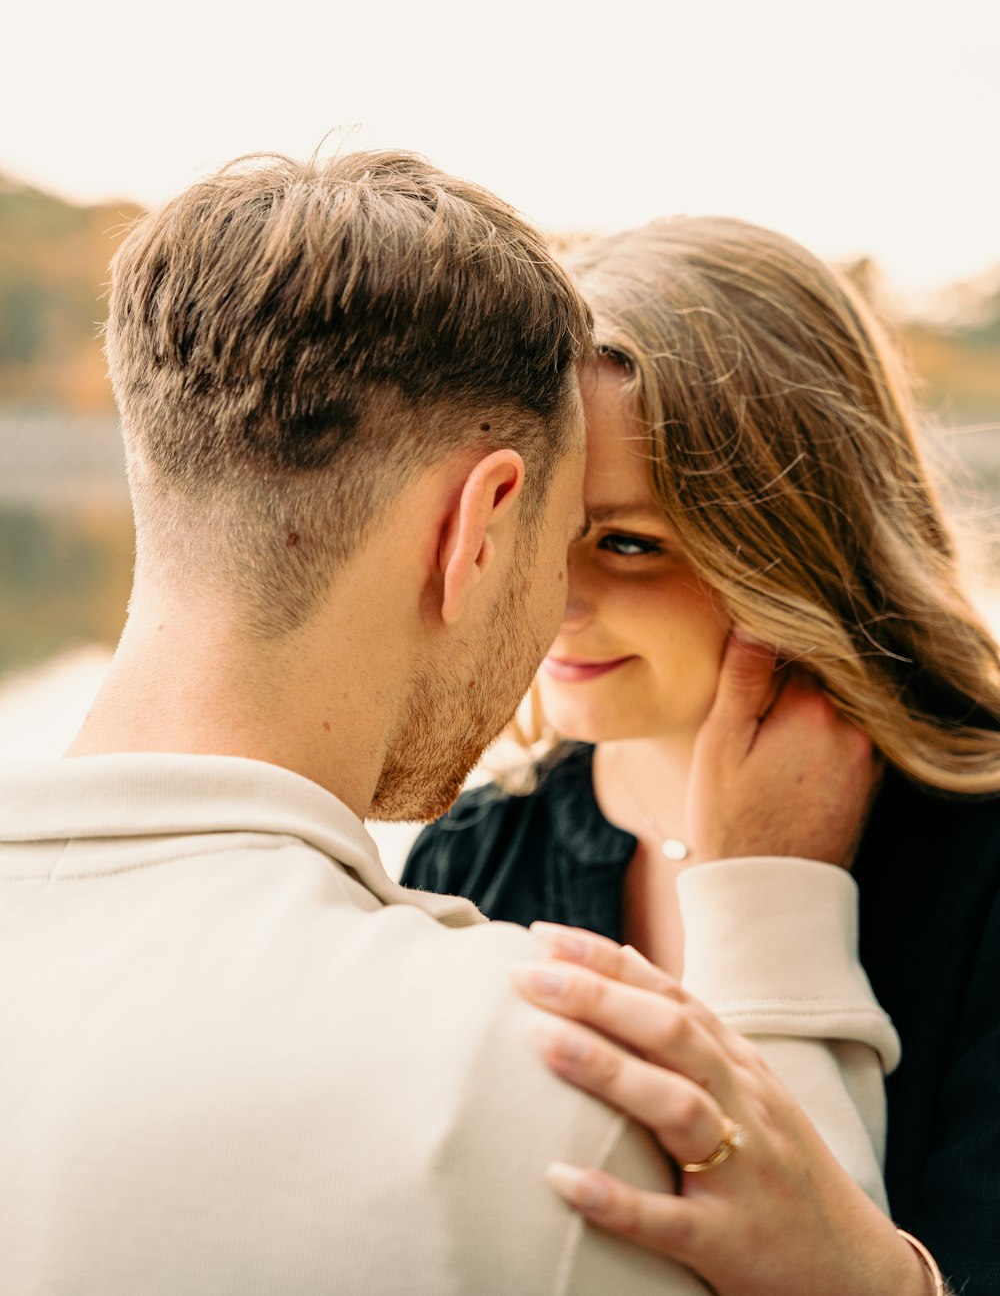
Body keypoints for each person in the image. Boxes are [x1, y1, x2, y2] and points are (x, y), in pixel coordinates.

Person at [2, 160, 902, 1296]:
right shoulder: (548, 1072)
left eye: (620, 539)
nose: (562, 605)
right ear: (476, 526)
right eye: (561, 530)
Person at [403, 214, 1000, 1296]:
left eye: (629, 543)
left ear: (801, 543)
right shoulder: (467, 857)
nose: (553, 599)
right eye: (534, 530)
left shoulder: (982, 858)